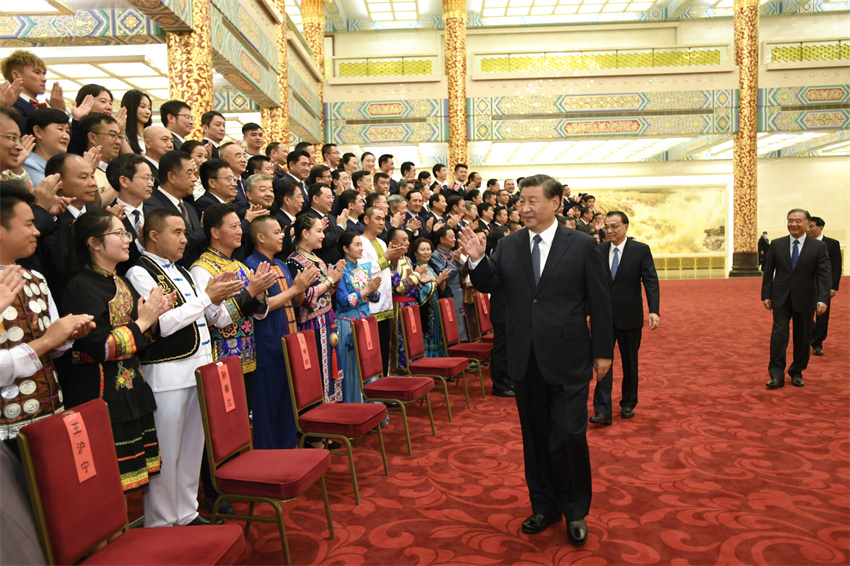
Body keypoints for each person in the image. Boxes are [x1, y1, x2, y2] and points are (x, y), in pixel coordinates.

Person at [459, 174, 613, 547]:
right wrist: (477, 260)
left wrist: (603, 351)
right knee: (536, 437)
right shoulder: (509, 245)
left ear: (556, 203)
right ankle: (544, 505)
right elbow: (489, 283)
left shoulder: (582, 245)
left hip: (570, 356)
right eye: (520, 202)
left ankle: (575, 509)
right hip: (525, 358)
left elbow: (600, 300)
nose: (524, 208)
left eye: (532, 201)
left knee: (570, 435)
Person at [126, 208, 243, 527]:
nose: (185, 238)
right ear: (153, 235)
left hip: (199, 368)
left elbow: (203, 316)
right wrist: (206, 298)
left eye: (184, 232)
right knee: (168, 452)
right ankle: (162, 520)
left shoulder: (183, 272)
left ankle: (187, 511)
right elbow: (161, 324)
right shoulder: (140, 272)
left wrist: (216, 300)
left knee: (193, 447)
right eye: (176, 232)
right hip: (168, 375)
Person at [59, 208, 173, 492]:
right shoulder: (81, 286)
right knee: (106, 482)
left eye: (126, 232)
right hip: (100, 393)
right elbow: (101, 347)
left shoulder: (118, 280)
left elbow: (143, 335)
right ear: (94, 243)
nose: (127, 239)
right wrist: (145, 320)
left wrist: (155, 317)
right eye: (119, 233)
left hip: (130, 389)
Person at [0, 188, 95, 444]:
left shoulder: (35, 279)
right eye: (29, 224)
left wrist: (67, 336)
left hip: (47, 409)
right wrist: (48, 341)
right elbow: (45, 342)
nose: (37, 231)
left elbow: (52, 347)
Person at [245, 216, 318, 449]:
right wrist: (295, 288)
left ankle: (289, 451)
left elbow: (295, 302)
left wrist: (301, 288)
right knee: (267, 409)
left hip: (289, 343)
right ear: (261, 237)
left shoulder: (282, 264)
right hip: (269, 346)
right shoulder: (253, 265)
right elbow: (261, 308)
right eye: (277, 232)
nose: (282, 237)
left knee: (287, 405)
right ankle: (269, 460)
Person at [590, 211, 660, 425]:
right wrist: (588, 312)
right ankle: (603, 409)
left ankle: (629, 402)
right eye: (606, 227)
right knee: (602, 362)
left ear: (626, 227)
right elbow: (589, 284)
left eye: (614, 227)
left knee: (630, 362)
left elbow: (650, 280)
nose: (609, 231)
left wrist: (654, 309)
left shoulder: (640, 250)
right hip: (603, 318)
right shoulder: (598, 250)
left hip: (630, 317)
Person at [761, 208, 831, 389]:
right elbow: (768, 272)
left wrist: (822, 299)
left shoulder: (818, 247)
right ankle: (776, 375)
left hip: (806, 299)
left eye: (798, 221)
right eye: (790, 220)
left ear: (807, 223)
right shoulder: (777, 244)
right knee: (778, 336)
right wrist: (766, 295)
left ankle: (797, 371)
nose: (793, 224)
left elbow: (824, 274)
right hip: (781, 298)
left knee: (803, 337)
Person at [285, 215, 346, 404]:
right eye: (319, 231)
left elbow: (325, 292)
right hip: (312, 324)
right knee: (317, 368)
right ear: (305, 233)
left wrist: (334, 280)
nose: (323, 235)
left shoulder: (317, 260)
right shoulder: (294, 261)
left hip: (327, 319)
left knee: (330, 365)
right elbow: (302, 298)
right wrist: (329, 281)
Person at [334, 232, 382, 403]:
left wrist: (374, 291)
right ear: (345, 248)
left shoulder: (364, 268)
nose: (361, 248)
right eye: (357, 245)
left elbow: (375, 299)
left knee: (368, 365)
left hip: (365, 322)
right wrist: (367, 291)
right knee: (353, 369)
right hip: (348, 325)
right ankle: (355, 408)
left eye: (361, 244)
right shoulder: (339, 270)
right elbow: (343, 301)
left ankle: (373, 407)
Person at [359, 207, 406, 374]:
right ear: (366, 219)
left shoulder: (382, 242)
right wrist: (386, 258)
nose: (381, 223)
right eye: (377, 218)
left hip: (386, 304)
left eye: (383, 219)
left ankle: (385, 387)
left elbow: (388, 273)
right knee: (371, 352)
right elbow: (360, 272)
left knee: (384, 350)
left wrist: (393, 262)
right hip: (369, 307)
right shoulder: (359, 242)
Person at [143, 150, 205, 267]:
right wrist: (202, 229)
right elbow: (183, 243)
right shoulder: (152, 205)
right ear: (171, 177)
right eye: (189, 173)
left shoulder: (189, 207)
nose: (194, 179)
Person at [807, 217, 841, 357]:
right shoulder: (804, 243)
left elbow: (836, 267)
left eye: (812, 226)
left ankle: (818, 343)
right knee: (805, 313)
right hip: (806, 285)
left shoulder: (832, 244)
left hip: (823, 285)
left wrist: (833, 287)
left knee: (822, 315)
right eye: (807, 226)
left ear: (821, 227)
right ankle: (813, 335)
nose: (808, 229)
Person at [411, 238, 449, 358]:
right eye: (423, 250)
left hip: (435, 308)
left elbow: (440, 290)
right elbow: (420, 293)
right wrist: (437, 282)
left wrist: (442, 282)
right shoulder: (414, 270)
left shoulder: (432, 268)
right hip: (425, 309)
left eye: (428, 249)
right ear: (416, 253)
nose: (426, 252)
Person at [430, 226, 468, 341]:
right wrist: (456, 261)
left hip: (458, 292)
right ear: (442, 239)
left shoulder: (452, 253)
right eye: (451, 237)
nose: (454, 240)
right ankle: (454, 348)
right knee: (451, 324)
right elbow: (445, 276)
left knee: (461, 321)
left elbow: (461, 275)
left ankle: (464, 346)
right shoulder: (435, 256)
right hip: (448, 292)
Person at [121, 89, 152, 155]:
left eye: (149, 108)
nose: (148, 112)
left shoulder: (151, 135)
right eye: (142, 107)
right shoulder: (124, 136)